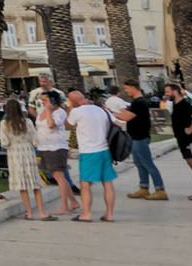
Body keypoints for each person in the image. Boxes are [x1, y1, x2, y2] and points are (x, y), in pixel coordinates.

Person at [65, 88, 117, 222]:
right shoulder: (101, 110)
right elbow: (117, 123)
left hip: (89, 151)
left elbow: (67, 125)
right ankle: (109, 214)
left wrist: (69, 110)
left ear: (73, 102)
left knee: (85, 183)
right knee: (107, 182)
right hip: (105, 150)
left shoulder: (76, 111)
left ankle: (86, 214)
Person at [114, 83, 167, 200]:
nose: (126, 91)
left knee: (147, 163)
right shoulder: (136, 102)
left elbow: (127, 117)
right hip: (135, 137)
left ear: (133, 88)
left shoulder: (139, 102)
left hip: (140, 137)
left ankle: (160, 189)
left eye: (127, 88)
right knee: (139, 163)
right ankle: (144, 187)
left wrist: (111, 113)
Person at [33, 88, 79, 217]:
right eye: (41, 100)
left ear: (53, 100)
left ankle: (64, 206)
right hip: (43, 146)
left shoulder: (60, 112)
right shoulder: (41, 111)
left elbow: (51, 124)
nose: (42, 103)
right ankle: (73, 201)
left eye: (45, 100)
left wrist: (48, 110)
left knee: (59, 177)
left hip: (56, 147)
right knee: (58, 176)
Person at [0, 97, 46, 221]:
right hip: (28, 152)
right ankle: (42, 212)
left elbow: (5, 142)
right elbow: (35, 140)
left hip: (14, 153)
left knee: (22, 185)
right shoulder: (28, 122)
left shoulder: (4, 124)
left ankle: (29, 213)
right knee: (35, 183)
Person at [164, 82, 192, 201]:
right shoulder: (175, 105)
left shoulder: (183, 105)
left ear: (175, 91)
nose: (166, 94)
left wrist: (190, 130)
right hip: (183, 141)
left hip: (190, 141)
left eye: (168, 92)